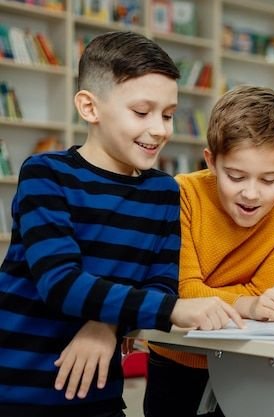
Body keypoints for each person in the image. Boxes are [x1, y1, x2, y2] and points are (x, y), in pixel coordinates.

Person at [0, 31, 243, 417]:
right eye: (142, 112)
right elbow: (61, 283)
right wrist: (174, 310)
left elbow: (159, 280)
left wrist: (105, 326)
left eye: (168, 114)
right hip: (17, 391)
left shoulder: (164, 191)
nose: (161, 129)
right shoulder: (46, 174)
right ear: (89, 107)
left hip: (99, 395)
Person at [144, 85, 274, 417]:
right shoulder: (182, 193)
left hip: (249, 357)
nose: (251, 194)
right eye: (235, 176)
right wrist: (250, 303)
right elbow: (182, 292)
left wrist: (243, 300)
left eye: (269, 180)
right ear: (211, 160)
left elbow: (264, 294)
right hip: (177, 355)